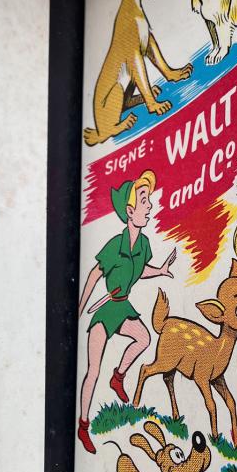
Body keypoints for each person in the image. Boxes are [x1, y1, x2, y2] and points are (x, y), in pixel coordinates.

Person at [77, 170, 175, 454]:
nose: (150, 206)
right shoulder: (115, 245)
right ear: (130, 211)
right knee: (93, 370)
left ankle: (118, 377)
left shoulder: (143, 245)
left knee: (144, 338)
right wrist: (79, 309)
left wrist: (160, 271)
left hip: (122, 306)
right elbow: (94, 274)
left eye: (149, 200)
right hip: (106, 309)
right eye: (144, 201)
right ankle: (83, 425)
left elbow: (140, 270)